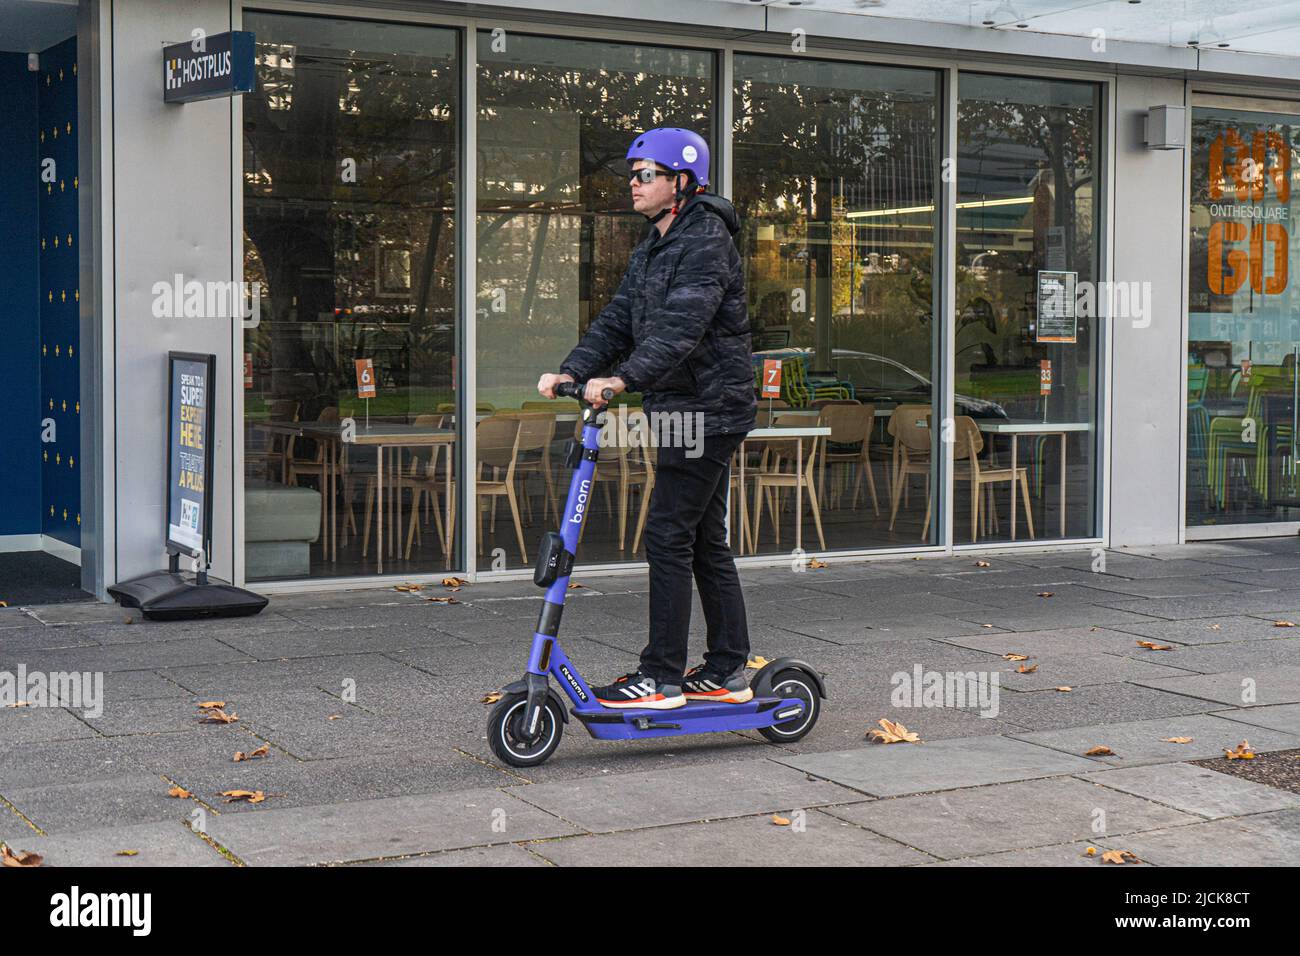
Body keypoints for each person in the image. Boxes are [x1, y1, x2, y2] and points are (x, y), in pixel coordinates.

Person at [537, 127, 757, 710]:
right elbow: (619, 318)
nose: (632, 185)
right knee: (705, 537)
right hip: (680, 409)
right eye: (631, 175)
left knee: (668, 533)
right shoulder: (655, 242)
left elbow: (682, 329)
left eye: (645, 175)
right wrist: (573, 369)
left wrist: (624, 379)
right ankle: (728, 668)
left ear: (680, 182)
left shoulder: (706, 239)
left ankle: (660, 677)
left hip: (709, 410)